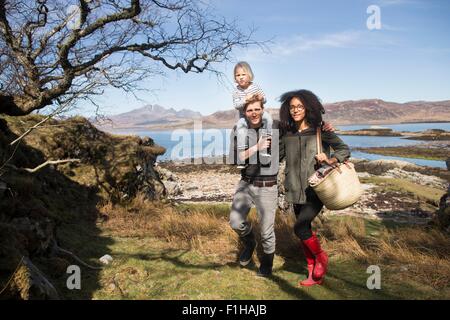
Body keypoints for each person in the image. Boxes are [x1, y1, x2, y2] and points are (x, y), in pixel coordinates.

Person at [278, 89, 350, 286]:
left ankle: (321, 257)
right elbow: (277, 157)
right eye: (292, 107)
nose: (295, 110)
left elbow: (344, 149)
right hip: (294, 189)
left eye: (299, 106)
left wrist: (330, 159)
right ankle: (312, 274)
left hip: (315, 190)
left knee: (300, 227)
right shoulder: (287, 133)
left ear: (308, 107)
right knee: (304, 231)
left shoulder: (321, 131)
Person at [229, 98, 279, 277]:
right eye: (250, 110)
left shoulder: (275, 127)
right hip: (245, 183)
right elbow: (235, 159)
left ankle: (267, 264)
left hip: (268, 185)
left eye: (257, 109)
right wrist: (257, 147)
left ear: (263, 110)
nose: (254, 113)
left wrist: (322, 126)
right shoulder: (239, 129)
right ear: (245, 113)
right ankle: (250, 242)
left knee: (266, 231)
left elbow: (301, 127)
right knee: (235, 221)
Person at [232, 61, 273, 168]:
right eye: (238, 75)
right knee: (240, 127)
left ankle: (266, 142)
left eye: (243, 74)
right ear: (235, 77)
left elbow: (264, 99)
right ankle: (243, 155)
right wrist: (245, 99)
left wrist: (261, 98)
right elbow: (236, 105)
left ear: (249, 75)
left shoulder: (255, 86)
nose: (240, 77)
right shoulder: (236, 91)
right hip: (244, 116)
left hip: (258, 113)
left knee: (268, 118)